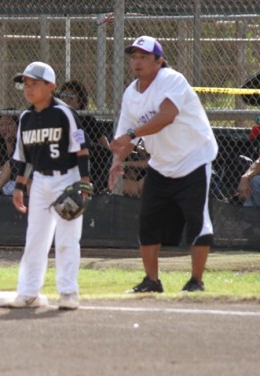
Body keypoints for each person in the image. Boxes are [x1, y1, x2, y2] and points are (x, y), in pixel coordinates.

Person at [108, 36, 218, 293]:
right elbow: (123, 135)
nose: (137, 62)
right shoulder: (131, 94)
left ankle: (196, 281)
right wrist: (116, 162)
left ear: (159, 61)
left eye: (144, 57)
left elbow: (167, 116)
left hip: (194, 158)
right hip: (161, 164)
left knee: (196, 220)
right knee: (148, 220)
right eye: (134, 57)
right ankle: (152, 281)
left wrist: (132, 135)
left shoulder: (172, 79)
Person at [8, 61, 91, 310]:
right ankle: (28, 292)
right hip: (40, 182)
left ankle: (68, 292)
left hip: (68, 178)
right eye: (26, 84)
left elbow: (82, 150)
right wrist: (19, 187)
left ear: (51, 86)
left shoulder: (64, 113)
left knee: (67, 239)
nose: (28, 89)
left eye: (34, 83)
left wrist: (84, 184)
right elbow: (24, 158)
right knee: (35, 238)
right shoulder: (26, 118)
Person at [58, 80, 112, 192]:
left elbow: (105, 147)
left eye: (71, 97)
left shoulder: (87, 119)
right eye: (63, 96)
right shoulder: (55, 118)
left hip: (86, 160)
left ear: (79, 102)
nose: (65, 100)